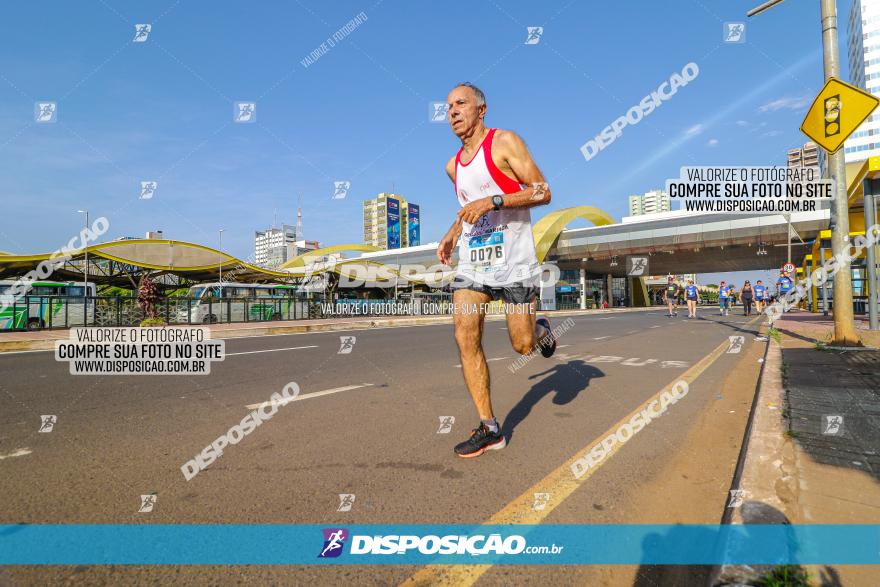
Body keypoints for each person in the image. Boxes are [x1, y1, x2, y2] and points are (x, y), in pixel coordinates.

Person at [436, 82, 556, 458]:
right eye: (448, 106)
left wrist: (496, 199)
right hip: (475, 265)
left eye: (460, 103)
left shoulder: (504, 143)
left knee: (521, 343)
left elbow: (542, 191)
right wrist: (452, 234)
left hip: (515, 264)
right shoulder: (453, 166)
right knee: (464, 334)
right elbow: (470, 209)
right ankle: (490, 428)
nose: (453, 111)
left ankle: (542, 332)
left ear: (481, 109)